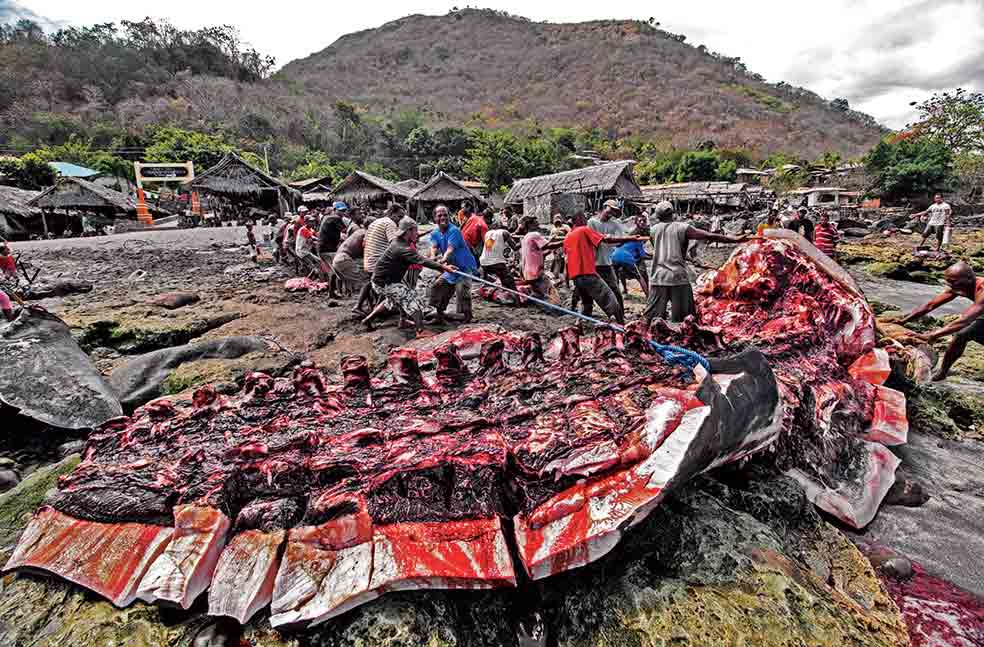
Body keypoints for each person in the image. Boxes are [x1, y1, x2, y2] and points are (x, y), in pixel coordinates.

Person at [645, 202, 748, 324]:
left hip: (658, 277)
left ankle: (651, 339)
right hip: (678, 277)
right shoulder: (682, 228)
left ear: (657, 216)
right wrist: (734, 239)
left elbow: (659, 248)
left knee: (652, 319)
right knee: (684, 320)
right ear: (673, 213)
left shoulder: (653, 230)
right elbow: (709, 236)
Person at [363, 217, 458, 335]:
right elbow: (421, 260)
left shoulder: (398, 242)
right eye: (415, 231)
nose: (417, 234)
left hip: (380, 281)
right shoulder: (403, 248)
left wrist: (438, 263)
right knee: (413, 299)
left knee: (391, 300)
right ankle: (420, 330)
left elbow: (420, 258)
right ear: (408, 232)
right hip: (385, 283)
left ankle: (370, 320)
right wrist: (444, 268)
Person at [898, 261, 984, 381]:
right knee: (961, 336)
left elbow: (965, 320)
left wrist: (931, 335)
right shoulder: (959, 286)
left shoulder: (982, 288)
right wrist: (903, 321)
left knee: (962, 333)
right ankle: (943, 372)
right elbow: (930, 305)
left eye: (953, 281)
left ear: (969, 278)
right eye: (948, 281)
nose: (950, 285)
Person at [564, 212, 644, 325]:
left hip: (576, 277)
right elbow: (606, 240)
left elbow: (567, 259)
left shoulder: (568, 237)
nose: (587, 219)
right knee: (610, 300)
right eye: (584, 218)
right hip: (588, 274)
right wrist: (629, 238)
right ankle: (621, 325)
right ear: (579, 219)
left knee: (587, 304)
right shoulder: (583, 230)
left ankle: (579, 325)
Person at [429, 205, 479, 324]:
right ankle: (439, 316)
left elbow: (450, 249)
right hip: (451, 267)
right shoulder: (435, 233)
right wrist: (432, 257)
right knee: (439, 286)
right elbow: (434, 247)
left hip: (464, 266)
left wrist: (442, 259)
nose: (443, 217)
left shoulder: (454, 230)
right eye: (439, 215)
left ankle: (468, 317)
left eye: (445, 215)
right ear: (434, 218)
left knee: (462, 290)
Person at [358, 204, 405, 314]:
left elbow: (364, 243)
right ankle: (378, 311)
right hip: (378, 262)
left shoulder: (375, 222)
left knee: (372, 283)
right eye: (399, 216)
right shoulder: (390, 223)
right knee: (390, 284)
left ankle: (361, 306)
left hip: (369, 260)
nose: (401, 220)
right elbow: (395, 245)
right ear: (392, 214)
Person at [588, 199, 629, 313]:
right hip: (593, 264)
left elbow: (621, 239)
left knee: (615, 290)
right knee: (588, 291)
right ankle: (585, 313)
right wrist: (607, 239)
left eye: (615, 211)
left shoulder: (615, 223)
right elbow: (594, 240)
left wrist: (613, 240)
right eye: (611, 209)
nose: (612, 213)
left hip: (606, 263)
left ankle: (620, 313)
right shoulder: (592, 222)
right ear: (605, 207)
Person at [520, 215, 563, 301]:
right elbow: (548, 246)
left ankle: (531, 300)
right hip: (536, 272)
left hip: (527, 272)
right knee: (551, 293)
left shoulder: (526, 237)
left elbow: (541, 252)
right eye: (536, 223)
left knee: (538, 292)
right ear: (530, 225)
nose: (538, 224)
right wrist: (565, 241)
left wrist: (552, 247)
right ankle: (556, 310)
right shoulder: (535, 234)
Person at [480, 220, 518, 293]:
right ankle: (517, 299)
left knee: (499, 280)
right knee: (510, 282)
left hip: (483, 262)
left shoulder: (488, 233)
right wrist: (524, 240)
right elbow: (515, 247)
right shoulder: (504, 232)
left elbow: (489, 248)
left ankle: (504, 294)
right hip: (496, 263)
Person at [318, 203, 347, 298]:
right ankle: (333, 292)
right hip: (328, 249)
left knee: (333, 271)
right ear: (335, 210)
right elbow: (345, 230)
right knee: (335, 271)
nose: (343, 212)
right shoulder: (335, 218)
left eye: (344, 210)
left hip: (324, 248)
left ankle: (332, 293)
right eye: (341, 210)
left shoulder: (326, 217)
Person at [612, 229, 651, 297]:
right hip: (626, 258)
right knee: (640, 277)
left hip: (613, 257)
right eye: (646, 239)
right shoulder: (638, 242)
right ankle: (648, 296)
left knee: (616, 278)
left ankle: (617, 296)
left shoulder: (626, 240)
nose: (645, 241)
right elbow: (643, 255)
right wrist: (653, 257)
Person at [549, 215, 571, 287]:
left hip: (565, 247)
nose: (557, 224)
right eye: (556, 222)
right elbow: (550, 239)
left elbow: (570, 234)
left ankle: (566, 283)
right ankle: (558, 280)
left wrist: (563, 235)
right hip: (557, 249)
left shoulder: (566, 227)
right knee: (557, 263)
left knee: (566, 265)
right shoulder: (553, 229)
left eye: (559, 222)